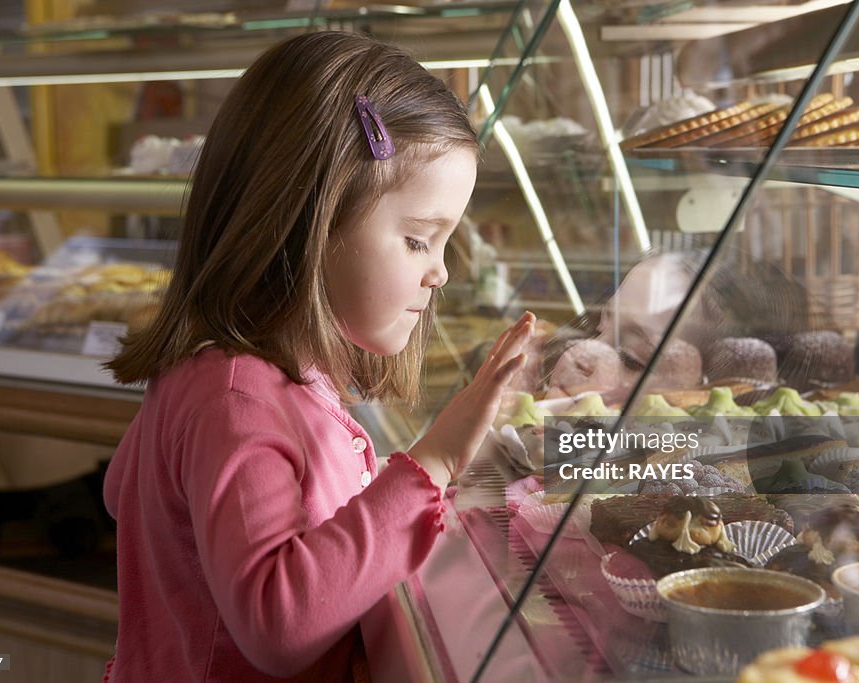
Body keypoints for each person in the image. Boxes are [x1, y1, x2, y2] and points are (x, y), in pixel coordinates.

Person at [101, 31, 534, 683]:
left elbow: (128, 493)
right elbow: (277, 623)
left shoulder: (241, 377)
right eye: (419, 239)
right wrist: (433, 462)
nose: (440, 272)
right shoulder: (235, 398)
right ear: (312, 220)